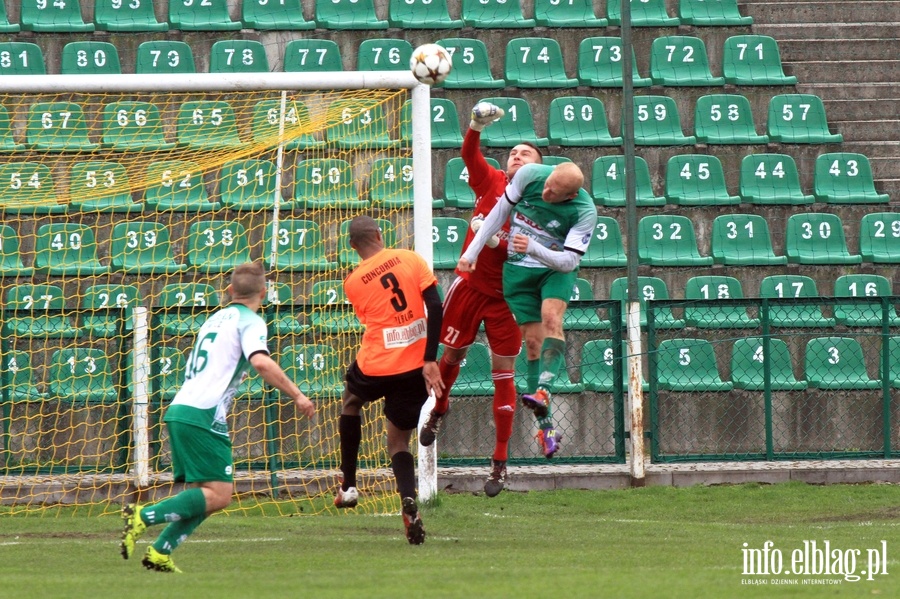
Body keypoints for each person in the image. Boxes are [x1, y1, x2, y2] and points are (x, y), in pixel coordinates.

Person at [119, 262, 315, 573]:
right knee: (220, 495)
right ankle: (143, 516)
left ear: (229, 291)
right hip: (204, 413)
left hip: (182, 407)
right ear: (264, 293)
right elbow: (261, 362)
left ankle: (160, 553)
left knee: (206, 493)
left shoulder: (214, 318)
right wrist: (298, 394)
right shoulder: (250, 321)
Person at [419, 102, 543, 497]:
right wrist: (474, 126)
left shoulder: (543, 205)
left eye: (526, 153)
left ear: (538, 170)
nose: (516, 155)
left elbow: (538, 253)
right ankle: (438, 410)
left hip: (508, 298)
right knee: (451, 357)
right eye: (513, 152)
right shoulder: (491, 182)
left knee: (503, 375)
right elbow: (468, 155)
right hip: (470, 288)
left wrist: (499, 240)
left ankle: (500, 464)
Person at [458, 161, 597, 459]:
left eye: (554, 192)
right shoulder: (530, 175)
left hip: (552, 269)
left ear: (570, 196)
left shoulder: (584, 211)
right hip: (519, 272)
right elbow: (497, 215)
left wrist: (533, 246)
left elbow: (569, 262)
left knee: (551, 319)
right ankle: (546, 429)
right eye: (547, 185)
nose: (545, 192)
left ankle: (545, 389)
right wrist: (471, 253)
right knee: (533, 346)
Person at [333, 215, 444, 545]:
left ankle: (349, 485)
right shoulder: (411, 259)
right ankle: (408, 500)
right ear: (380, 235)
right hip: (415, 363)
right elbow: (435, 307)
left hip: (377, 364)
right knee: (398, 441)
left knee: (351, 402)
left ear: (353, 247)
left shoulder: (353, 281)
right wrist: (429, 358)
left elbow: (370, 320)